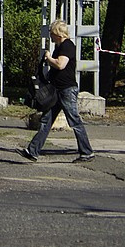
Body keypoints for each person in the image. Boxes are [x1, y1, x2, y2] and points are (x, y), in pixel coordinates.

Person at [20, 19, 95, 162]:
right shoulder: (59, 46)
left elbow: (60, 65)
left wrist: (48, 58)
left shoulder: (67, 46)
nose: (51, 37)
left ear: (58, 34)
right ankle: (32, 151)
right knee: (46, 121)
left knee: (74, 121)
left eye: (52, 34)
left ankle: (87, 152)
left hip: (66, 90)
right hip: (57, 90)